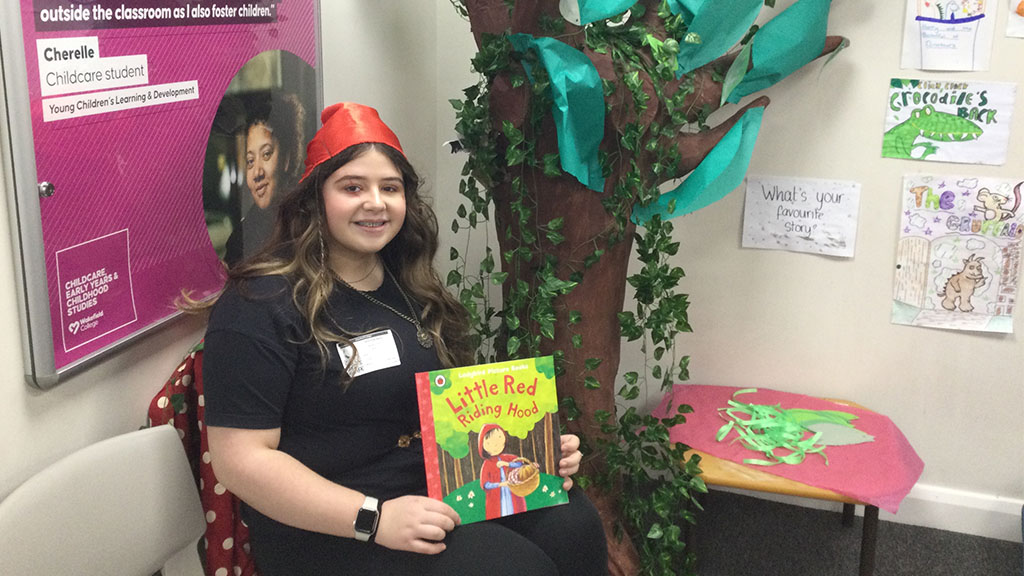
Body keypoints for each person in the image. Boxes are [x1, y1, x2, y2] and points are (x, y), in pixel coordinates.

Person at [202, 102, 608, 576]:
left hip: (428, 494)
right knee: (513, 567)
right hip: (330, 528)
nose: (375, 202)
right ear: (314, 199)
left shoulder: (405, 283)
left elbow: (445, 412)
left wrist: (530, 449)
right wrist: (373, 518)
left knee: (572, 522)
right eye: (352, 187)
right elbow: (239, 462)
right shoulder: (259, 303)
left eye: (389, 188)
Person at [224, 93, 307, 266]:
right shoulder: (239, 242)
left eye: (267, 154)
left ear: (287, 159)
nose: (257, 172)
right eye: (250, 161)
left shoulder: (311, 221)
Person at [478, 423, 529, 519]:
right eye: (490, 443)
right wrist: (501, 484)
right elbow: (485, 484)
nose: (496, 446)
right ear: (483, 445)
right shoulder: (487, 464)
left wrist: (507, 464)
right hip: (497, 497)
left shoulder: (507, 458)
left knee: (516, 511)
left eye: (499, 441)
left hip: (513, 493)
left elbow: (520, 464)